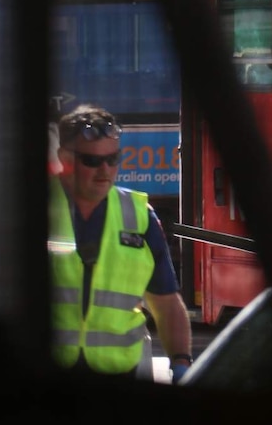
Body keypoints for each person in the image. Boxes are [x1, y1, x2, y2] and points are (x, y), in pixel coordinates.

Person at [49, 104, 192, 383]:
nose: (105, 170)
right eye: (92, 161)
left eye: (113, 159)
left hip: (118, 378)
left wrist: (182, 363)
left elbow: (166, 304)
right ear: (63, 157)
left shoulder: (139, 216)